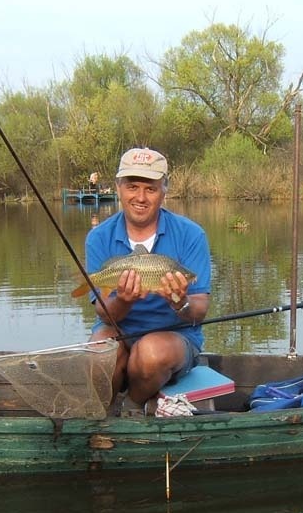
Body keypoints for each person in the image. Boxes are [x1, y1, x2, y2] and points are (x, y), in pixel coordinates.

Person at [85, 148, 212, 412]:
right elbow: (104, 314)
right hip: (118, 332)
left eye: (150, 189)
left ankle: (133, 406)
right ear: (119, 188)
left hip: (174, 338)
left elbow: (200, 310)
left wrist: (179, 302)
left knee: (150, 352)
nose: (140, 197)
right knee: (99, 353)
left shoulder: (191, 234)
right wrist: (123, 300)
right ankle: (106, 415)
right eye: (132, 186)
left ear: (164, 190)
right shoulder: (99, 237)